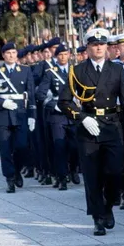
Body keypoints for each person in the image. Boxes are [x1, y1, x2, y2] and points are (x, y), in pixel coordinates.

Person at [60, 27, 124, 235]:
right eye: (95, 45)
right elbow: (64, 101)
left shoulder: (116, 69)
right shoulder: (77, 71)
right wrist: (82, 117)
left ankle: (109, 204)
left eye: (102, 44)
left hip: (112, 125)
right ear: (88, 47)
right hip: (89, 128)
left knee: (115, 171)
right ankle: (97, 217)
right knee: (92, 175)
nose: (99, 48)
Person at [0, 42, 36, 192]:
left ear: (17, 54)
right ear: (3, 55)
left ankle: (17, 170)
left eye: (13, 52)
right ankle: (10, 178)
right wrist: (1, 102)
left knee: (22, 146)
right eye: (8, 53)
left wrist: (32, 115)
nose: (11, 55)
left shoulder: (25, 70)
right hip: (3, 114)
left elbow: (31, 94)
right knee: (5, 149)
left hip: (20, 113)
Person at [37, 44, 76, 190]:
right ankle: (61, 177)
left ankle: (73, 169)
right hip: (57, 115)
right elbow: (41, 94)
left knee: (75, 146)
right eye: (60, 55)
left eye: (65, 54)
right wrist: (54, 105)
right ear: (56, 57)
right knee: (59, 147)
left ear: (69, 55)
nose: (63, 57)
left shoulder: (76, 70)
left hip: (73, 113)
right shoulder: (50, 73)